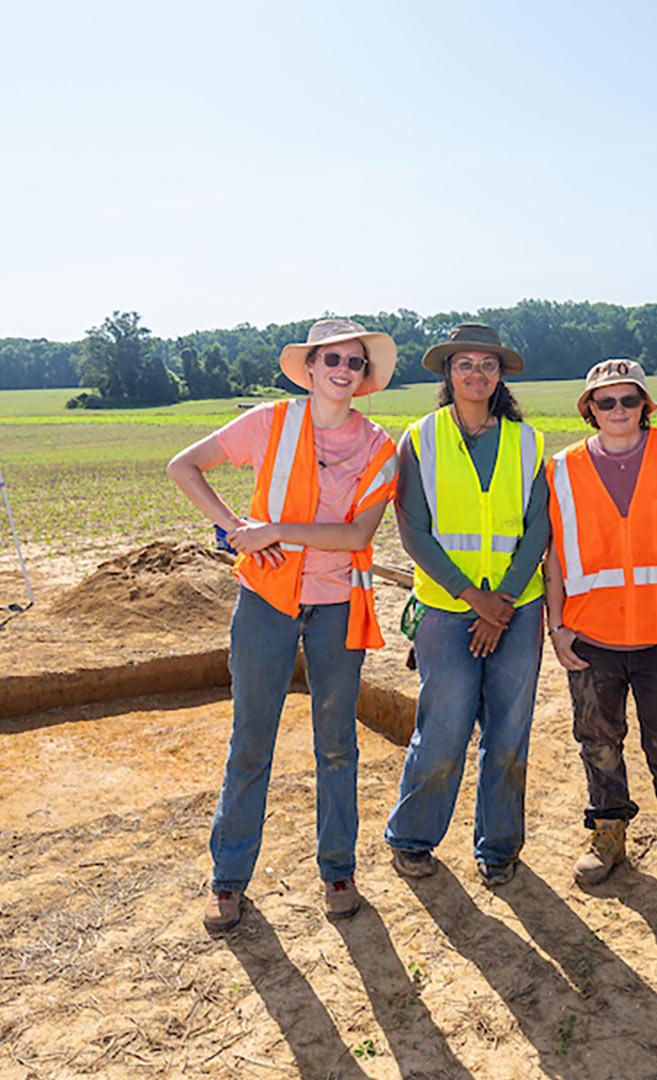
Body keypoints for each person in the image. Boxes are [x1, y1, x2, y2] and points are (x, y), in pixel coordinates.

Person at [167, 318, 398, 928]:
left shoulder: (379, 445)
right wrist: (232, 529)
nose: (343, 371)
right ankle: (228, 880)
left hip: (338, 605)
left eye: (354, 362)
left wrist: (273, 530)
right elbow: (184, 467)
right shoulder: (270, 421)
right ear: (311, 368)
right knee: (251, 741)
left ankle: (338, 870)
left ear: (364, 376)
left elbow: (357, 535)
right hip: (266, 602)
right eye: (332, 360)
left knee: (337, 744)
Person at [545, 359, 657, 936]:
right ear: (588, 409)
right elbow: (554, 554)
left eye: (629, 400)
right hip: (591, 638)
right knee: (598, 743)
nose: (617, 410)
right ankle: (609, 832)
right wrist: (556, 624)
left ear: (646, 405)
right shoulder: (562, 468)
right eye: (605, 401)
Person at [384, 323, 548, 887]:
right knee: (443, 729)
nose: (477, 373)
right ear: (448, 373)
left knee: (509, 733)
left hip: (517, 609)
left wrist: (502, 603)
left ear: (500, 375)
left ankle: (498, 846)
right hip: (447, 609)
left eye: (487, 364)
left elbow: (538, 528)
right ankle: (411, 837)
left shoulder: (529, 442)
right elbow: (413, 530)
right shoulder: (420, 439)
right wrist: (475, 598)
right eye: (465, 364)